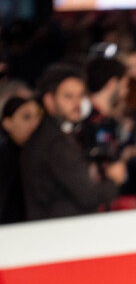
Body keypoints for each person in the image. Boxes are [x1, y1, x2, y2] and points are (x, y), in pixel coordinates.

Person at [21, 62, 126, 220]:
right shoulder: (56, 144)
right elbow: (89, 197)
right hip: (62, 233)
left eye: (80, 95)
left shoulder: (50, 137)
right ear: (49, 100)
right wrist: (114, 179)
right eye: (69, 96)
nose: (77, 103)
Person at [0, 96, 41, 224]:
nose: (34, 123)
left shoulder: (39, 154)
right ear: (7, 123)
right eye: (26, 117)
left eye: (38, 116)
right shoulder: (4, 158)